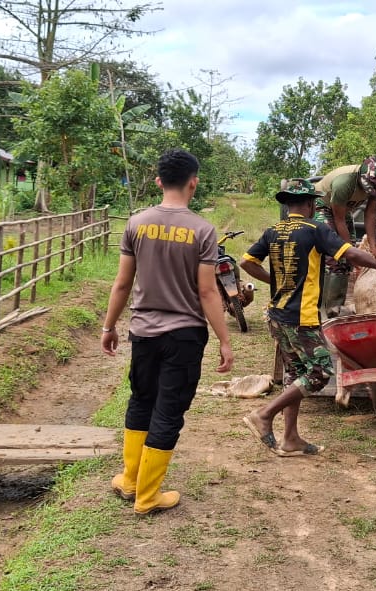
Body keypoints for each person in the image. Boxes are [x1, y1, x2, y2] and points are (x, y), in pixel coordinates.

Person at [101, 149, 234, 515]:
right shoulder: (203, 230)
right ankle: (147, 497)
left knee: (141, 400)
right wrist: (224, 339)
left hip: (143, 332)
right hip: (184, 336)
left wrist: (109, 326)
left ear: (159, 180)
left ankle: (130, 480)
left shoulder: (136, 223)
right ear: (194, 181)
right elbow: (207, 291)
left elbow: (122, 283)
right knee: (168, 409)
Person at [241, 180, 376, 457]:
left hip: (276, 316)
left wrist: (274, 282)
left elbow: (247, 262)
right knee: (319, 372)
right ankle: (264, 414)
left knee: (296, 374)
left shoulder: (273, 231)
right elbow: (349, 253)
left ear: (288, 204)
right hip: (301, 317)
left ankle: (290, 439)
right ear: (311, 204)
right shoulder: (314, 229)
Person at [313, 155, 376, 316]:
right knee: (335, 255)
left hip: (343, 211)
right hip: (322, 206)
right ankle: (323, 311)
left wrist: (373, 247)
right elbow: (339, 219)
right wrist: (348, 251)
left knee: (348, 257)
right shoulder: (344, 183)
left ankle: (335, 307)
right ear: (363, 178)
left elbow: (370, 215)